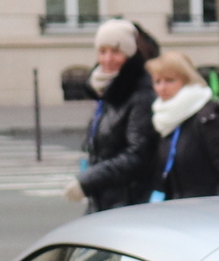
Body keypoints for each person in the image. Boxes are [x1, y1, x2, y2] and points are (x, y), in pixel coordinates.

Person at [67, 19, 160, 211]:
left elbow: (137, 155)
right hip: (104, 197)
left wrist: (87, 181)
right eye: (103, 51)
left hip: (129, 201)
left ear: (129, 54)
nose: (108, 59)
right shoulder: (106, 90)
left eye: (116, 52)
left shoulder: (140, 94)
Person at [146, 51, 219, 199]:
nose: (162, 88)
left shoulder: (207, 118)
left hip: (209, 214)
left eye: (169, 80)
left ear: (186, 80)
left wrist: (217, 210)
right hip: (180, 213)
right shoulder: (164, 119)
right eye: (157, 82)